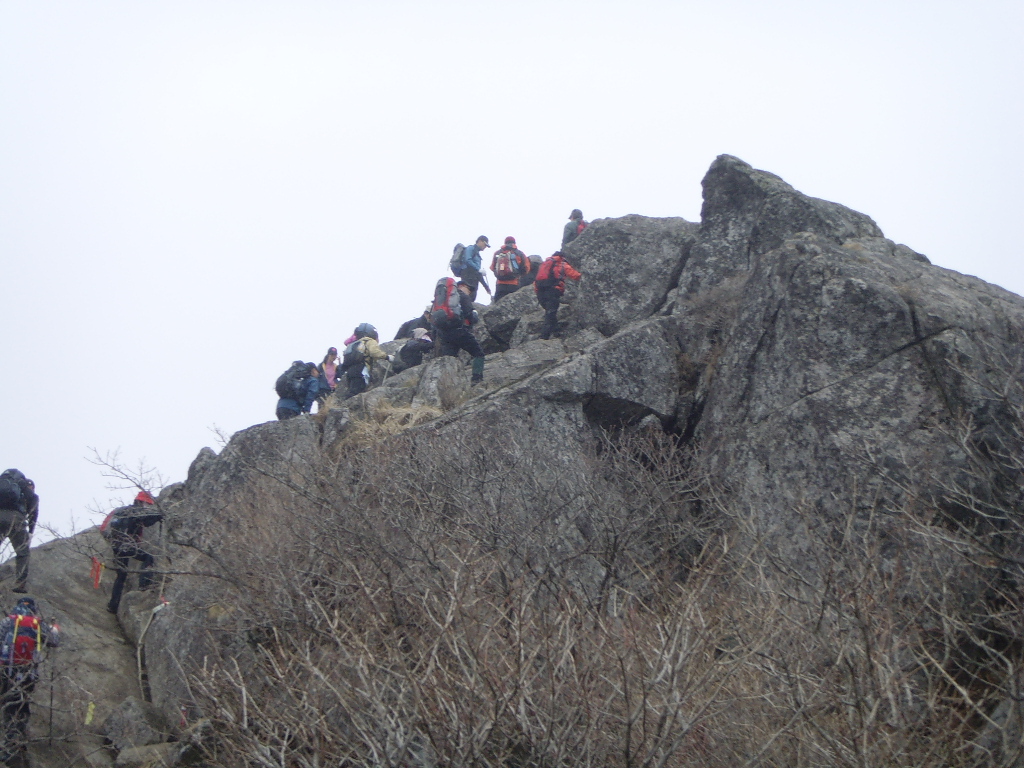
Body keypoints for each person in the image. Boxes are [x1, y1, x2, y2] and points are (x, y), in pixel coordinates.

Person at [0, 596, 59, 763]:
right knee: (21, 707)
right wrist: (54, 628)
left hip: (7, 672)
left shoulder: (7, 622)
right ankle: (14, 745)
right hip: (28, 674)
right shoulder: (37, 624)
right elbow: (54, 641)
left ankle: (11, 743)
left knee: (9, 707)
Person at [102, 491, 165, 614]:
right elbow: (145, 520)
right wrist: (159, 516)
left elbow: (144, 521)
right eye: (147, 504)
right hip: (126, 545)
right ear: (141, 502)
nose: (147, 507)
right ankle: (144, 585)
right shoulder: (136, 511)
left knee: (121, 575)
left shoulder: (123, 511)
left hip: (116, 545)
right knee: (148, 558)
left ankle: (113, 605)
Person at [436, 281, 486, 383]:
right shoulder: (462, 296)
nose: (470, 292)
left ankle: (447, 383)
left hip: (445, 334)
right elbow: (469, 314)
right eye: (469, 289)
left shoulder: (442, 300)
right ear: (461, 286)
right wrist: (474, 318)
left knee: (449, 359)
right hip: (460, 332)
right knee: (478, 353)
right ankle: (477, 379)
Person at [0, 470, 38, 594]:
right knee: (22, 552)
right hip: (16, 520)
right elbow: (33, 512)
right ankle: (20, 583)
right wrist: (31, 532)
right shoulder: (27, 491)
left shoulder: (4, 486)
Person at [534, 251, 582, 340]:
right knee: (550, 313)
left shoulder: (545, 264)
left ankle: (556, 332)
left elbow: (537, 280)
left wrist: (538, 292)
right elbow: (575, 275)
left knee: (550, 312)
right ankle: (544, 336)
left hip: (540, 292)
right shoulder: (562, 264)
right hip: (553, 291)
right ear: (562, 257)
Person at [342, 324, 393, 398]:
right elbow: (374, 352)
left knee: (352, 390)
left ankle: (345, 405)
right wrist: (387, 357)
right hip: (361, 369)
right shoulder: (369, 341)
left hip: (350, 371)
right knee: (357, 391)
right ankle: (347, 408)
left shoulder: (355, 343)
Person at [490, 236, 531, 301]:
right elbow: (526, 268)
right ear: (514, 243)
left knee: (498, 305)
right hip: (514, 284)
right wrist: (519, 275)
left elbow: (492, 267)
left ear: (505, 243)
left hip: (500, 284)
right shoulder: (519, 253)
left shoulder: (497, 253)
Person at [460, 236, 491, 302]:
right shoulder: (471, 248)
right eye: (484, 244)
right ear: (479, 241)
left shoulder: (477, 254)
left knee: (472, 296)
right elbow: (467, 260)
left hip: (474, 279)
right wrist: (478, 269)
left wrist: (486, 287)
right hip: (467, 275)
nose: (485, 247)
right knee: (466, 296)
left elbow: (478, 273)